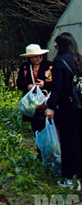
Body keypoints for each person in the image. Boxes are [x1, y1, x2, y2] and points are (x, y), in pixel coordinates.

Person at [44, 32, 82, 190]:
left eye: (56, 45)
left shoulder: (59, 62)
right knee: (79, 142)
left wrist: (50, 107)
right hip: (80, 107)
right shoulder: (79, 59)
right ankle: (80, 179)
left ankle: (68, 179)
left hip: (67, 108)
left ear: (60, 46)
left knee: (67, 143)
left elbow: (57, 87)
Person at [16, 43, 52, 133]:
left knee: (47, 125)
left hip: (46, 100)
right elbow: (19, 83)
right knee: (35, 126)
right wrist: (28, 86)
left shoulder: (49, 66)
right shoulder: (25, 67)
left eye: (37, 57)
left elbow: (56, 83)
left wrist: (44, 85)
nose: (35, 59)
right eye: (32, 57)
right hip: (32, 102)